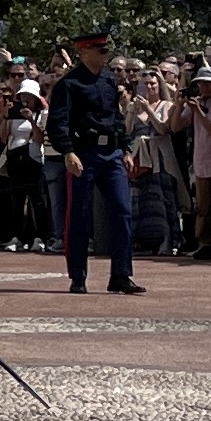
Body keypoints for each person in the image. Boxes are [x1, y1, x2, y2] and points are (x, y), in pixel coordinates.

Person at [46, 26, 142, 296]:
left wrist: (125, 148)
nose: (105, 54)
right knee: (79, 214)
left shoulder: (109, 80)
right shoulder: (69, 84)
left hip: (111, 153)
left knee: (122, 210)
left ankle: (121, 275)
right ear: (84, 51)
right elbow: (58, 122)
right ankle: (78, 276)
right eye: (101, 50)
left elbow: (116, 118)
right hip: (84, 153)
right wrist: (67, 151)